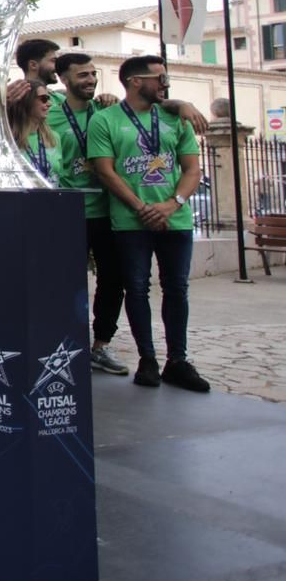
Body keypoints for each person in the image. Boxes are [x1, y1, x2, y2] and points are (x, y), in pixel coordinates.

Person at [87, 55, 210, 393]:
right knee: (137, 289)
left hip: (176, 218)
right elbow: (105, 170)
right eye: (160, 77)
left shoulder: (175, 118)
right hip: (130, 220)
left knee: (177, 288)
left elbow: (191, 169)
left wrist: (173, 204)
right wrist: (141, 206)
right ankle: (148, 359)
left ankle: (178, 361)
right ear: (135, 81)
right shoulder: (105, 121)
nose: (165, 83)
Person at [49, 53, 128, 375]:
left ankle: (102, 345)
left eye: (93, 74)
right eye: (82, 75)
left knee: (113, 279)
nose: (91, 80)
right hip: (67, 210)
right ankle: (66, 342)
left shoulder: (107, 111)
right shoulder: (50, 112)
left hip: (106, 210)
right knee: (67, 281)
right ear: (64, 79)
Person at [11, 79, 61, 182]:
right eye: (44, 99)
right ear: (27, 101)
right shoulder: (9, 138)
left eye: (49, 98)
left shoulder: (54, 137)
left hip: (52, 197)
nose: (49, 103)